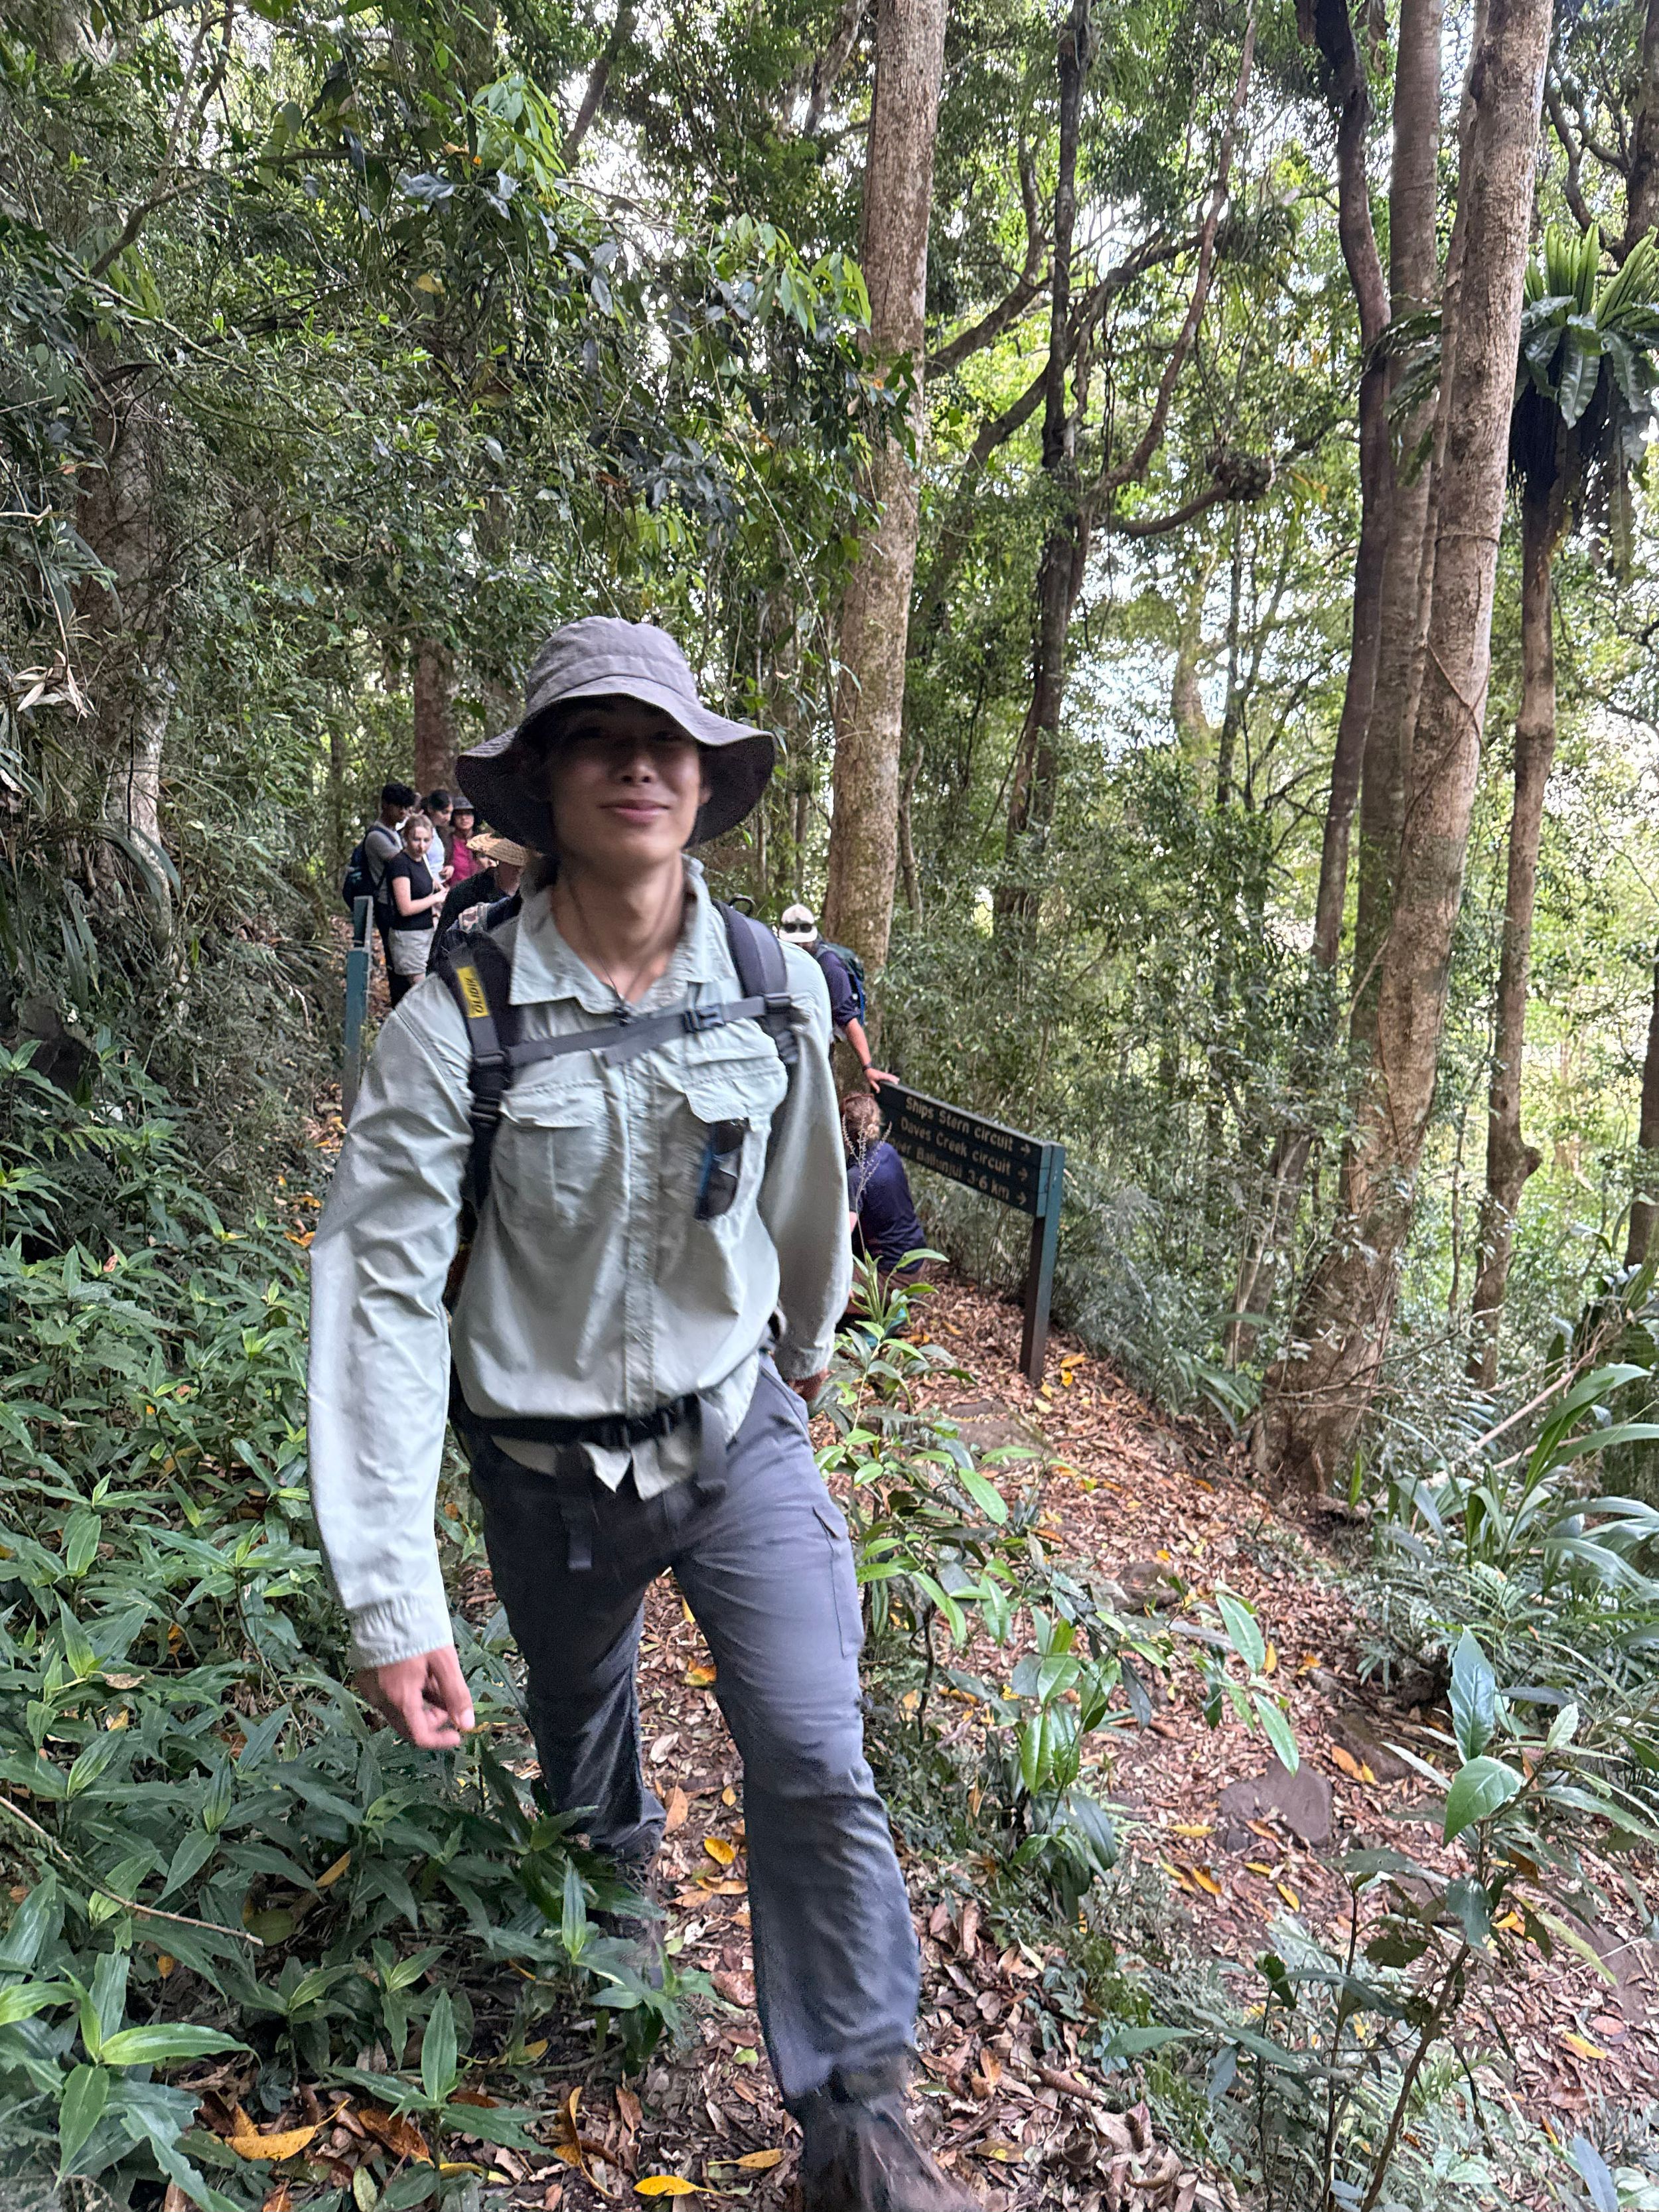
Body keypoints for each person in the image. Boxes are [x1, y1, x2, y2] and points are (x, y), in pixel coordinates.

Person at [309, 616, 976, 2212]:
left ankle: (859, 2125)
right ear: (544, 782)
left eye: (662, 738)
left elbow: (805, 1196)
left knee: (813, 1750)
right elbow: (381, 1296)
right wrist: (392, 1596)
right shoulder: (451, 1020)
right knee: (582, 1726)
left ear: (701, 776)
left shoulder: (771, 985)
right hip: (542, 1466)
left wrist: (803, 1358)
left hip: (733, 1429)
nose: (635, 763)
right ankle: (614, 1935)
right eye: (597, 738)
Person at [779, 905, 894, 1092]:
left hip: (817, 1053)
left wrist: (868, 1067)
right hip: (784, 1048)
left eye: (803, 943)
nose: (799, 947)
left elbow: (848, 1018)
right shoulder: (778, 958)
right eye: (794, 944)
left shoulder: (829, 967)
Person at [842, 1092, 927, 1286]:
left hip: (892, 1275)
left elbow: (842, 1239)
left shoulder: (856, 1177)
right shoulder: (888, 1151)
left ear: (847, 1136)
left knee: (822, 1287)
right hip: (916, 1259)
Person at [426, 832, 528, 970]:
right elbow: (440, 950)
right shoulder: (465, 893)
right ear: (499, 859)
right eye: (514, 864)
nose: (520, 870)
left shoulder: (533, 895)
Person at [382, 812, 444, 1005]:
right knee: (422, 995)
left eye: (426, 841)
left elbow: (432, 884)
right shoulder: (400, 863)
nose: (421, 846)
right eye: (416, 840)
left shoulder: (422, 860)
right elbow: (405, 907)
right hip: (409, 939)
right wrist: (435, 899)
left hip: (427, 934)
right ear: (406, 838)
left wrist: (441, 891)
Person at [364, 782, 419, 968]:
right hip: (386, 904)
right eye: (398, 806)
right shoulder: (376, 837)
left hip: (395, 902)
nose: (403, 812)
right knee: (395, 955)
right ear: (385, 805)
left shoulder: (394, 832)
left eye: (406, 807)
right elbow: (402, 861)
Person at [421, 788, 455, 881]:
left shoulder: (438, 831)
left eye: (450, 813)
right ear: (430, 809)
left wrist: (449, 867)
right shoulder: (420, 832)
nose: (448, 818)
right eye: (444, 812)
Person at [447, 798, 480, 883]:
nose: (464, 818)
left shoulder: (484, 841)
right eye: (459, 814)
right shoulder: (446, 842)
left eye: (468, 813)